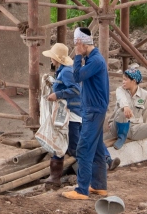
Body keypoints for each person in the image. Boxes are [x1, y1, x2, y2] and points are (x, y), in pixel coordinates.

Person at [62, 27, 109, 200]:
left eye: (76, 44)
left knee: (83, 148)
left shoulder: (94, 60)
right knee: (96, 148)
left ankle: (82, 189)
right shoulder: (94, 59)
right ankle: (99, 186)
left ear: (80, 42)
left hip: (94, 110)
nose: (75, 47)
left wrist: (78, 56)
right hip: (94, 108)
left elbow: (76, 76)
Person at [43, 43, 79, 189]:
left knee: (74, 146)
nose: (51, 60)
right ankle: (54, 178)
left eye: (52, 57)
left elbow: (75, 90)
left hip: (72, 113)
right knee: (60, 142)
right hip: (65, 113)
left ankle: (89, 176)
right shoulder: (62, 71)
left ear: (56, 58)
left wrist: (57, 94)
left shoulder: (66, 72)